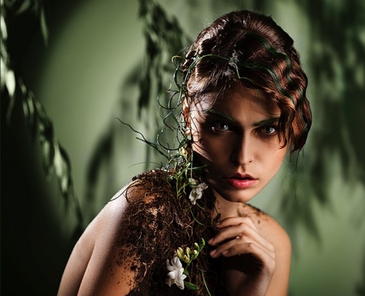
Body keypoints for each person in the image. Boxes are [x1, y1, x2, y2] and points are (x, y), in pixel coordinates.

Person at [57, 9, 311, 296]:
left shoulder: (272, 243)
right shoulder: (147, 213)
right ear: (188, 115)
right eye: (222, 125)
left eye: (266, 130)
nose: (242, 156)